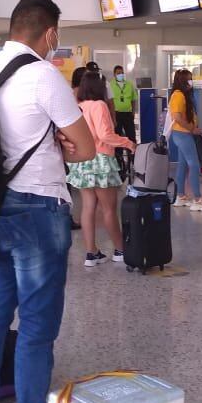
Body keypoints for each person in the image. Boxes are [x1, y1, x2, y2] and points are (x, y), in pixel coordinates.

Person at [0, 0, 95, 403]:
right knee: (38, 329)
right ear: (50, 34)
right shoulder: (43, 74)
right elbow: (84, 148)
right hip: (38, 207)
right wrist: (64, 146)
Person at [67, 71, 135, 267]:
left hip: (82, 160)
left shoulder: (78, 107)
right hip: (101, 160)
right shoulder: (100, 105)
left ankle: (91, 252)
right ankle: (120, 249)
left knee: (88, 207)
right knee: (109, 209)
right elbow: (105, 134)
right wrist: (128, 143)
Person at [168, 69, 202, 213]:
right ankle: (198, 200)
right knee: (194, 165)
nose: (191, 82)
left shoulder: (183, 95)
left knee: (183, 165)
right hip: (182, 134)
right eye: (189, 79)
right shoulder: (178, 95)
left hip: (183, 133)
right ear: (183, 81)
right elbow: (177, 117)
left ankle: (181, 196)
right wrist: (192, 128)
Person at [109, 65, 137, 170]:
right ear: (114, 74)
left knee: (131, 136)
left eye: (121, 72)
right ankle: (119, 164)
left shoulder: (129, 84)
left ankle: (133, 161)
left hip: (127, 114)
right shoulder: (110, 85)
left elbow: (134, 99)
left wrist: (133, 112)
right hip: (116, 114)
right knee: (117, 138)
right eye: (118, 73)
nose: (120, 75)